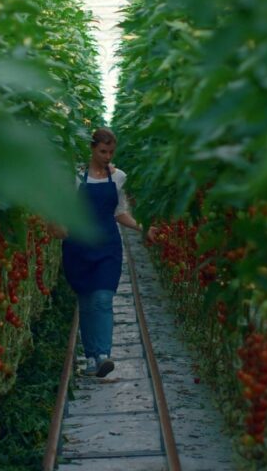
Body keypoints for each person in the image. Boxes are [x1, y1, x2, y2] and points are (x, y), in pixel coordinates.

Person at [55, 128, 155, 377]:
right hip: (79, 246)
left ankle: (102, 355)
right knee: (87, 301)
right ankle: (91, 358)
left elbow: (119, 212)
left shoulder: (118, 177)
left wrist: (142, 227)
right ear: (92, 148)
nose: (108, 156)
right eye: (103, 151)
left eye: (111, 152)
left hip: (108, 245)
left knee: (102, 299)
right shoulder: (76, 177)